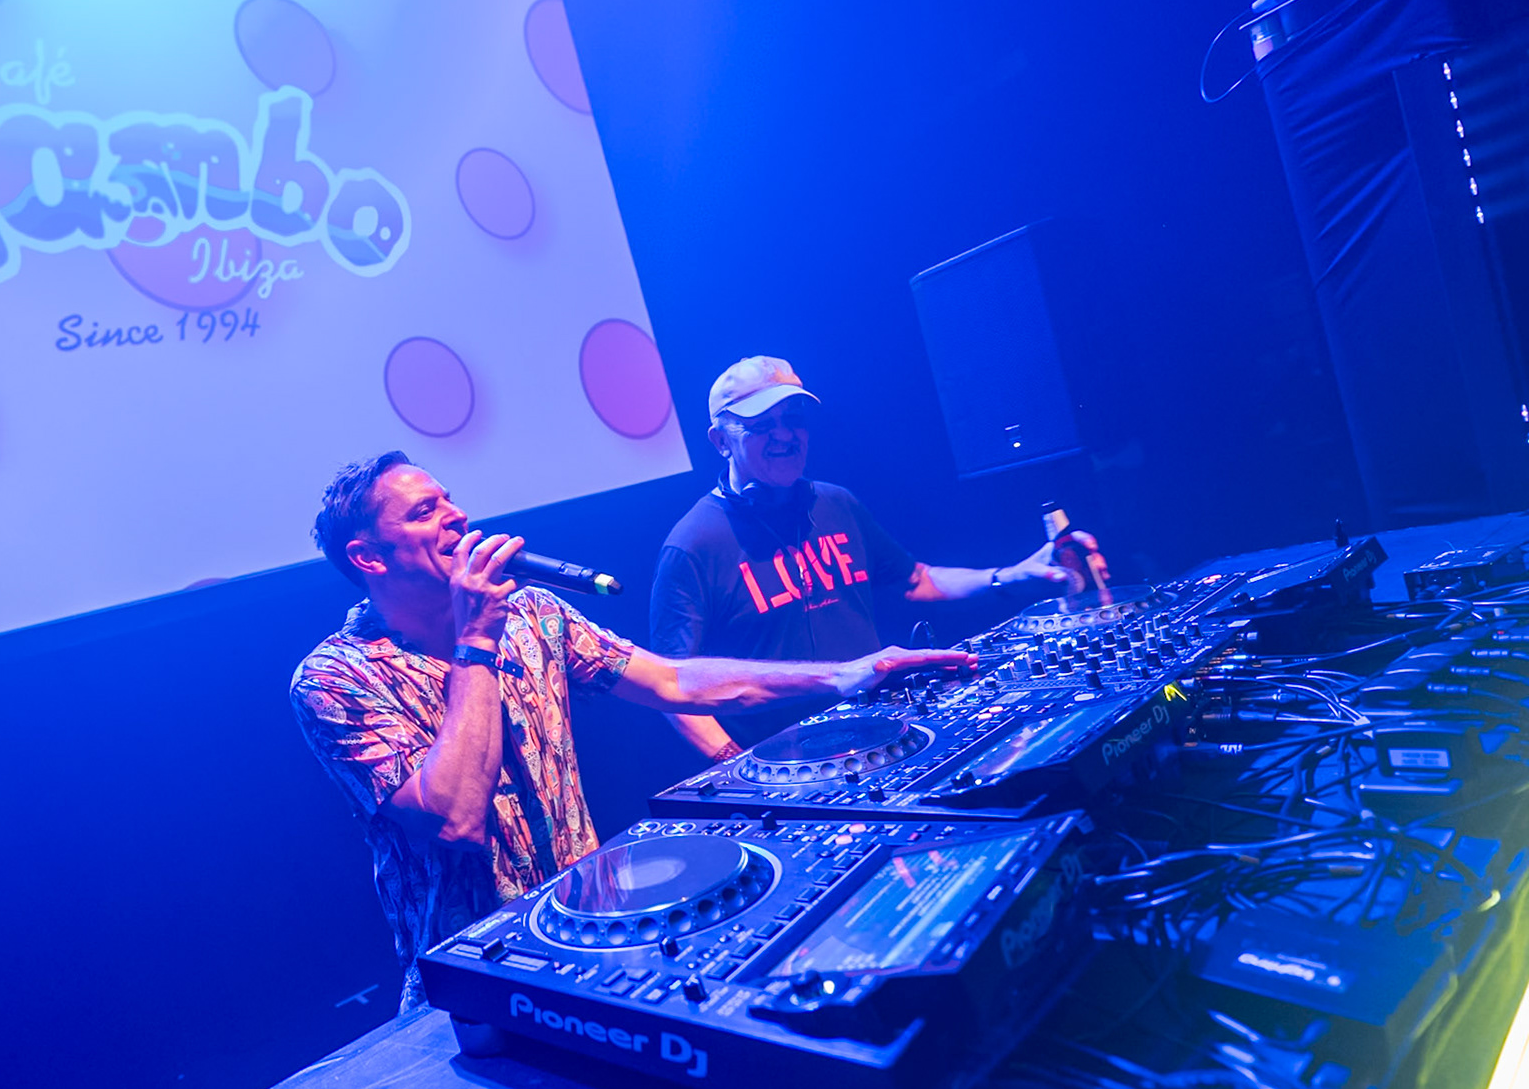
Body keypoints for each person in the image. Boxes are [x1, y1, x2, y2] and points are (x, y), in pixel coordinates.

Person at [290, 452, 971, 1011]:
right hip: (468, 985)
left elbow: (674, 681)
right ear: (369, 558)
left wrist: (847, 674)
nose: (456, 516)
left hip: (591, 938)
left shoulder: (532, 614)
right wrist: (476, 642)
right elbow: (453, 818)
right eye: (423, 511)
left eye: (449, 499)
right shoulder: (336, 678)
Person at [650, 355, 1101, 758]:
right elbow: (672, 686)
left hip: (880, 741)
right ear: (720, 441)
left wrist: (1014, 575)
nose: (784, 435)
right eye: (761, 425)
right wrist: (739, 769)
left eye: (794, 419)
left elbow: (915, 580)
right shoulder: (694, 545)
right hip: (788, 769)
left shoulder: (835, 503)